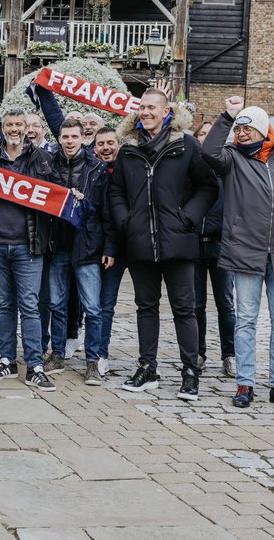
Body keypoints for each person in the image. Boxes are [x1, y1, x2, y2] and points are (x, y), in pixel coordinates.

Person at [201, 99, 274, 412]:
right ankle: (245, 382)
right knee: (246, 321)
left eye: (248, 128)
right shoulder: (232, 159)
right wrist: (227, 116)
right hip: (246, 252)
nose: (242, 133)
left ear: (263, 130)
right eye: (240, 128)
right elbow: (208, 151)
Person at [110, 88, 216, 401]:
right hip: (140, 242)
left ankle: (189, 371)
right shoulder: (128, 149)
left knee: (185, 310)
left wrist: (188, 218)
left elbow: (207, 187)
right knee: (146, 307)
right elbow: (116, 191)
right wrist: (125, 220)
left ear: (166, 111)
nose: (146, 112)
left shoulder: (186, 144)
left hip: (178, 242)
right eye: (142, 107)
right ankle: (147, 368)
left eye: (152, 107)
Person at [0, 107, 60, 392]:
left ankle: (34, 365)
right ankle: (6, 359)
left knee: (30, 306)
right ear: (1, 127)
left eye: (20, 124)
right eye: (10, 124)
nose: (15, 129)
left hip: (28, 245)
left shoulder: (43, 159)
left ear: (28, 128)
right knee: (2, 304)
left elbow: (57, 192)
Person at [42, 119, 109, 386]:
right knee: (56, 304)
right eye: (65, 136)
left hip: (87, 246)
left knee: (93, 308)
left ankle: (93, 361)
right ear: (59, 138)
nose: (69, 141)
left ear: (83, 139)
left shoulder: (96, 168)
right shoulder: (49, 164)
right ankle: (57, 353)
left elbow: (105, 210)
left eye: (74, 137)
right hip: (58, 244)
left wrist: (85, 201)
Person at [193, 120, 236, 378]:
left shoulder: (227, 167)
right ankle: (198, 353)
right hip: (195, 245)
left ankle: (229, 355)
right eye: (202, 134)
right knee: (196, 305)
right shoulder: (192, 168)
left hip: (222, 244)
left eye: (211, 134)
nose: (206, 138)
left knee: (225, 304)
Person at [93, 124, 127, 376]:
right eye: (101, 144)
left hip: (137, 246)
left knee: (147, 304)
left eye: (110, 143)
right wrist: (110, 247)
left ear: (119, 144)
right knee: (106, 304)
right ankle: (100, 353)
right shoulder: (97, 173)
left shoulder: (131, 168)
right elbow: (105, 216)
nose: (106, 148)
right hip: (111, 248)